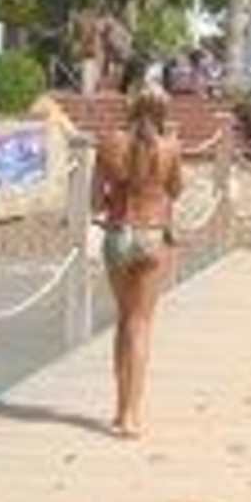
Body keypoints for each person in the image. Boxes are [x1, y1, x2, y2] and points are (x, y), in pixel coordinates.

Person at [93, 87, 183, 439]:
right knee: (141, 324)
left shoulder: (109, 143)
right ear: (163, 112)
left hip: (118, 234)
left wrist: (115, 197)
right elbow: (176, 190)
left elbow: (94, 200)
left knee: (124, 320)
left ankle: (119, 410)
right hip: (152, 235)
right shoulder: (170, 147)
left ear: (128, 108)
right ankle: (132, 415)